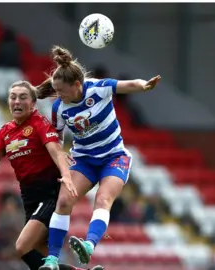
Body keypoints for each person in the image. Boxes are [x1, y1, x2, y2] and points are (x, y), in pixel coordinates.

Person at [0, 81, 104, 270]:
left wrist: (66, 175)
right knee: (38, 260)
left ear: (33, 104)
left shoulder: (39, 123)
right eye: (13, 97)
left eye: (23, 97)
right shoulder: (5, 132)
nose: (17, 101)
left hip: (49, 195)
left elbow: (57, 152)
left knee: (22, 247)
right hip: (29, 199)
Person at [36, 46, 161, 270]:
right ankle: (52, 259)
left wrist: (144, 85)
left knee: (103, 200)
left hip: (114, 157)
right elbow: (56, 138)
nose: (59, 95)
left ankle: (89, 246)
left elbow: (127, 85)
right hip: (84, 160)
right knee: (63, 201)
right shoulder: (59, 108)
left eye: (62, 91)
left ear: (77, 85)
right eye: (56, 91)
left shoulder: (98, 88)